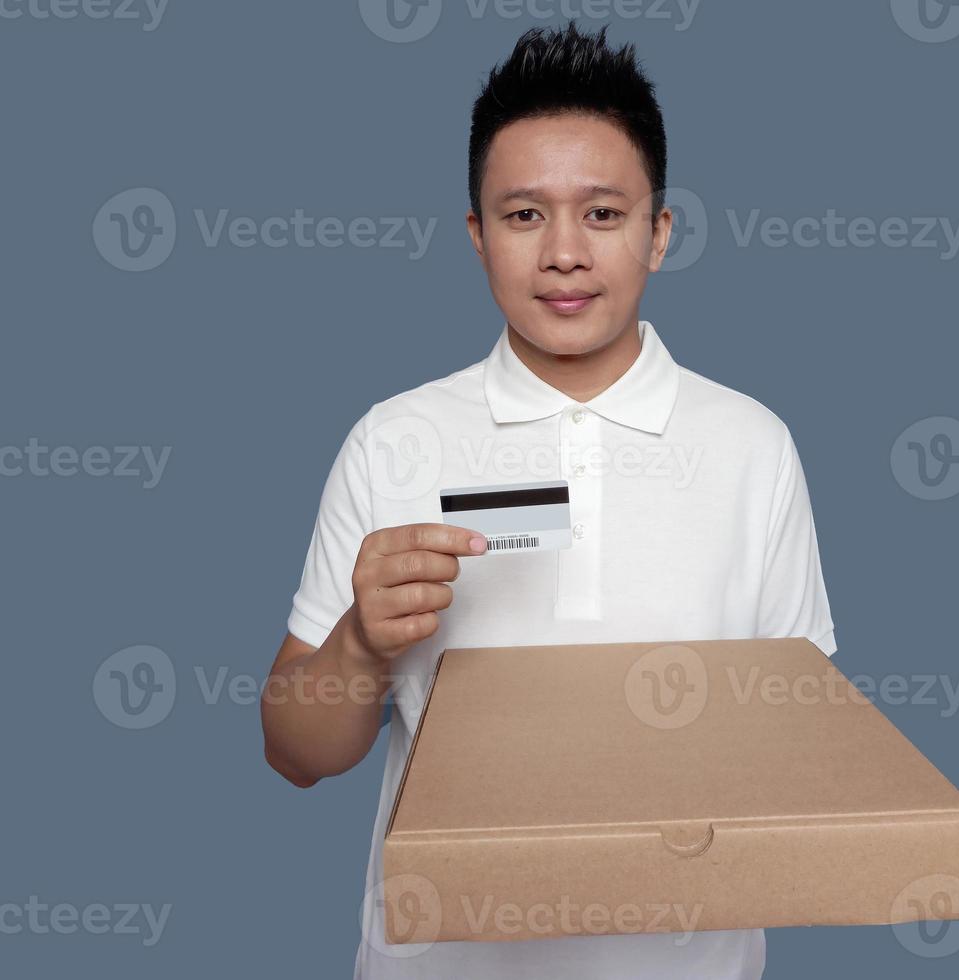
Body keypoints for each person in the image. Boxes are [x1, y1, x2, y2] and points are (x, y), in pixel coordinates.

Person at [261, 20, 836, 980]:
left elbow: (800, 745)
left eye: (603, 215)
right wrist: (358, 643)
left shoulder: (751, 447)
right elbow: (295, 753)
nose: (564, 253)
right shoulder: (393, 439)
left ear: (660, 233)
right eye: (525, 216)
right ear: (478, 237)